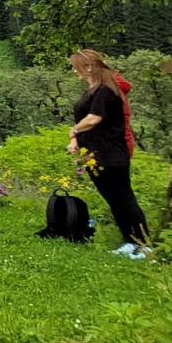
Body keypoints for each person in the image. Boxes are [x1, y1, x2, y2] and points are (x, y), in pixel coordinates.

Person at [67, 49, 151, 257]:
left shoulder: (105, 90)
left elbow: (94, 118)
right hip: (95, 153)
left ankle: (144, 244)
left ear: (88, 67)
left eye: (77, 67)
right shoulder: (93, 90)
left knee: (124, 198)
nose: (74, 71)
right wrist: (76, 138)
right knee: (114, 200)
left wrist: (75, 130)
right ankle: (129, 241)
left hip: (111, 152)